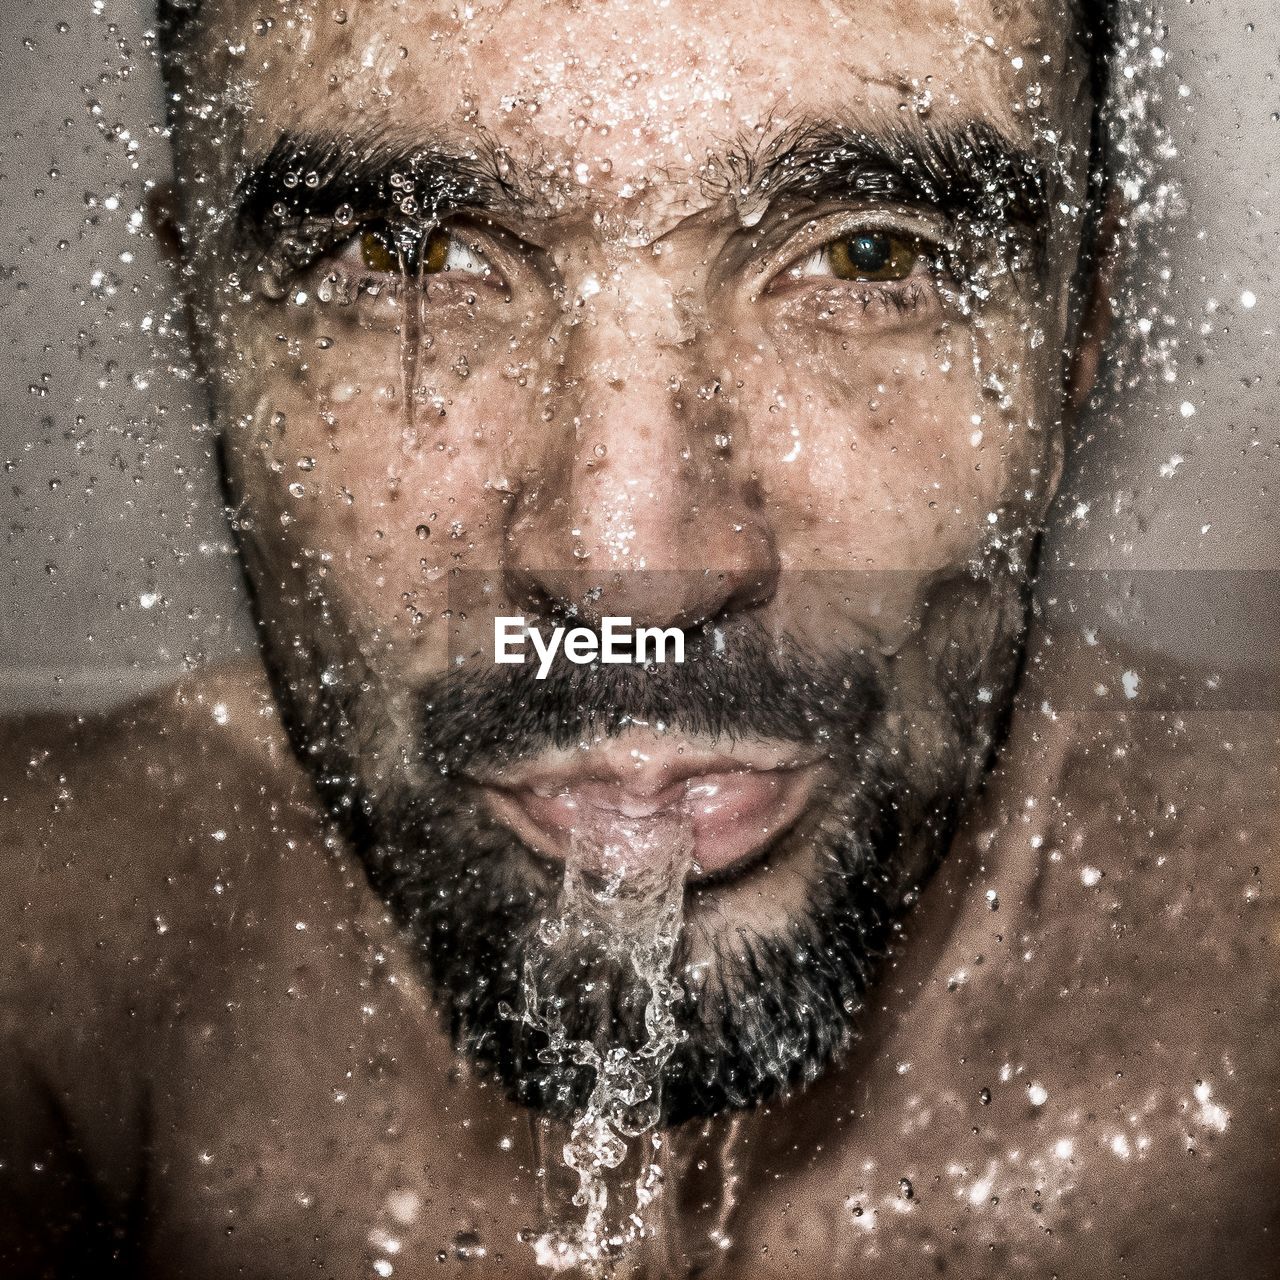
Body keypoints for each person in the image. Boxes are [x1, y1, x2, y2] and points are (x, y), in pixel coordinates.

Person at [2, 0, 1276, 1275]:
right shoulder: (51, 975)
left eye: (870, 259)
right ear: (203, 330)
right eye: (411, 261)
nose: (634, 572)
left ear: (1075, 336)